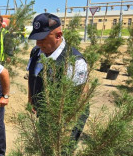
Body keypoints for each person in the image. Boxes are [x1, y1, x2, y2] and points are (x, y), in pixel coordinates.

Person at [27, 13, 89, 141]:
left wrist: (66, 123)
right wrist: (31, 98)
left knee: (62, 153)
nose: (38, 43)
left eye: (43, 39)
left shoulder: (74, 61)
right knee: (46, 147)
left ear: (58, 36)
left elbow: (81, 96)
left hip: (68, 115)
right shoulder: (36, 52)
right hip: (46, 111)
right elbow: (32, 76)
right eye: (36, 39)